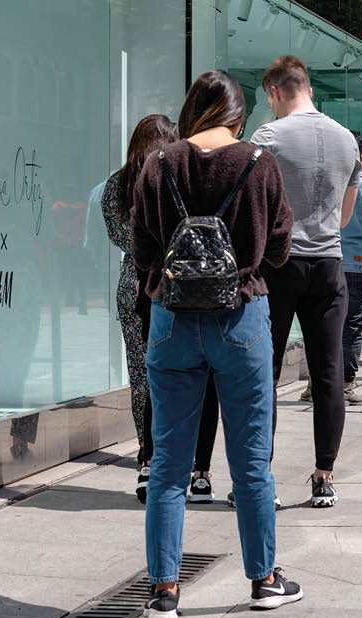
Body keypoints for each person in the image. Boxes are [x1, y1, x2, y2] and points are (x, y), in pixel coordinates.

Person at [132, 69, 300, 618]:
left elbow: (142, 251)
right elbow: (279, 249)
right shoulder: (258, 163)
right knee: (251, 461)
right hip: (241, 318)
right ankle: (265, 578)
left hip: (171, 319)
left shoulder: (158, 165)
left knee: (169, 464)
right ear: (237, 114)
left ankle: (163, 590)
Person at [252, 55, 361, 508]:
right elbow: (346, 215)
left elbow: (254, 211)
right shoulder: (346, 141)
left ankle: (260, 478)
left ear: (276, 92)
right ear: (309, 88)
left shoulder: (268, 138)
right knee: (329, 371)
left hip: (280, 265)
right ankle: (324, 475)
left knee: (265, 372)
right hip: (328, 264)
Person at [101, 116, 219, 505]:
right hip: (173, 281)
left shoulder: (115, 186)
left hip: (131, 281)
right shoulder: (173, 179)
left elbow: (119, 235)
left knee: (143, 374)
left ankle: (146, 451)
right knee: (186, 374)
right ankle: (186, 461)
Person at [300, 131, 362, 405]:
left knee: (321, 327)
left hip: (324, 260)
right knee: (351, 328)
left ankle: (315, 384)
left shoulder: (321, 186)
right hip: (360, 268)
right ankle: (346, 385)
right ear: (360, 157)